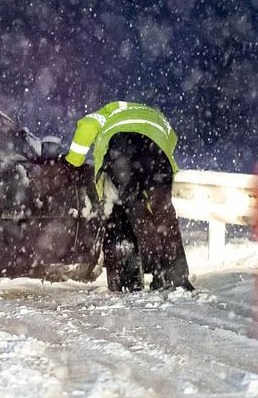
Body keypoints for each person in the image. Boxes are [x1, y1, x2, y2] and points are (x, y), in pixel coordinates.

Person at [65, 101, 193, 292]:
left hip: (123, 152)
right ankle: (179, 277)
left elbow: (87, 126)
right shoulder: (154, 115)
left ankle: (158, 274)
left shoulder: (108, 112)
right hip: (157, 153)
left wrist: (73, 162)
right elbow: (171, 139)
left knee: (138, 212)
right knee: (164, 213)